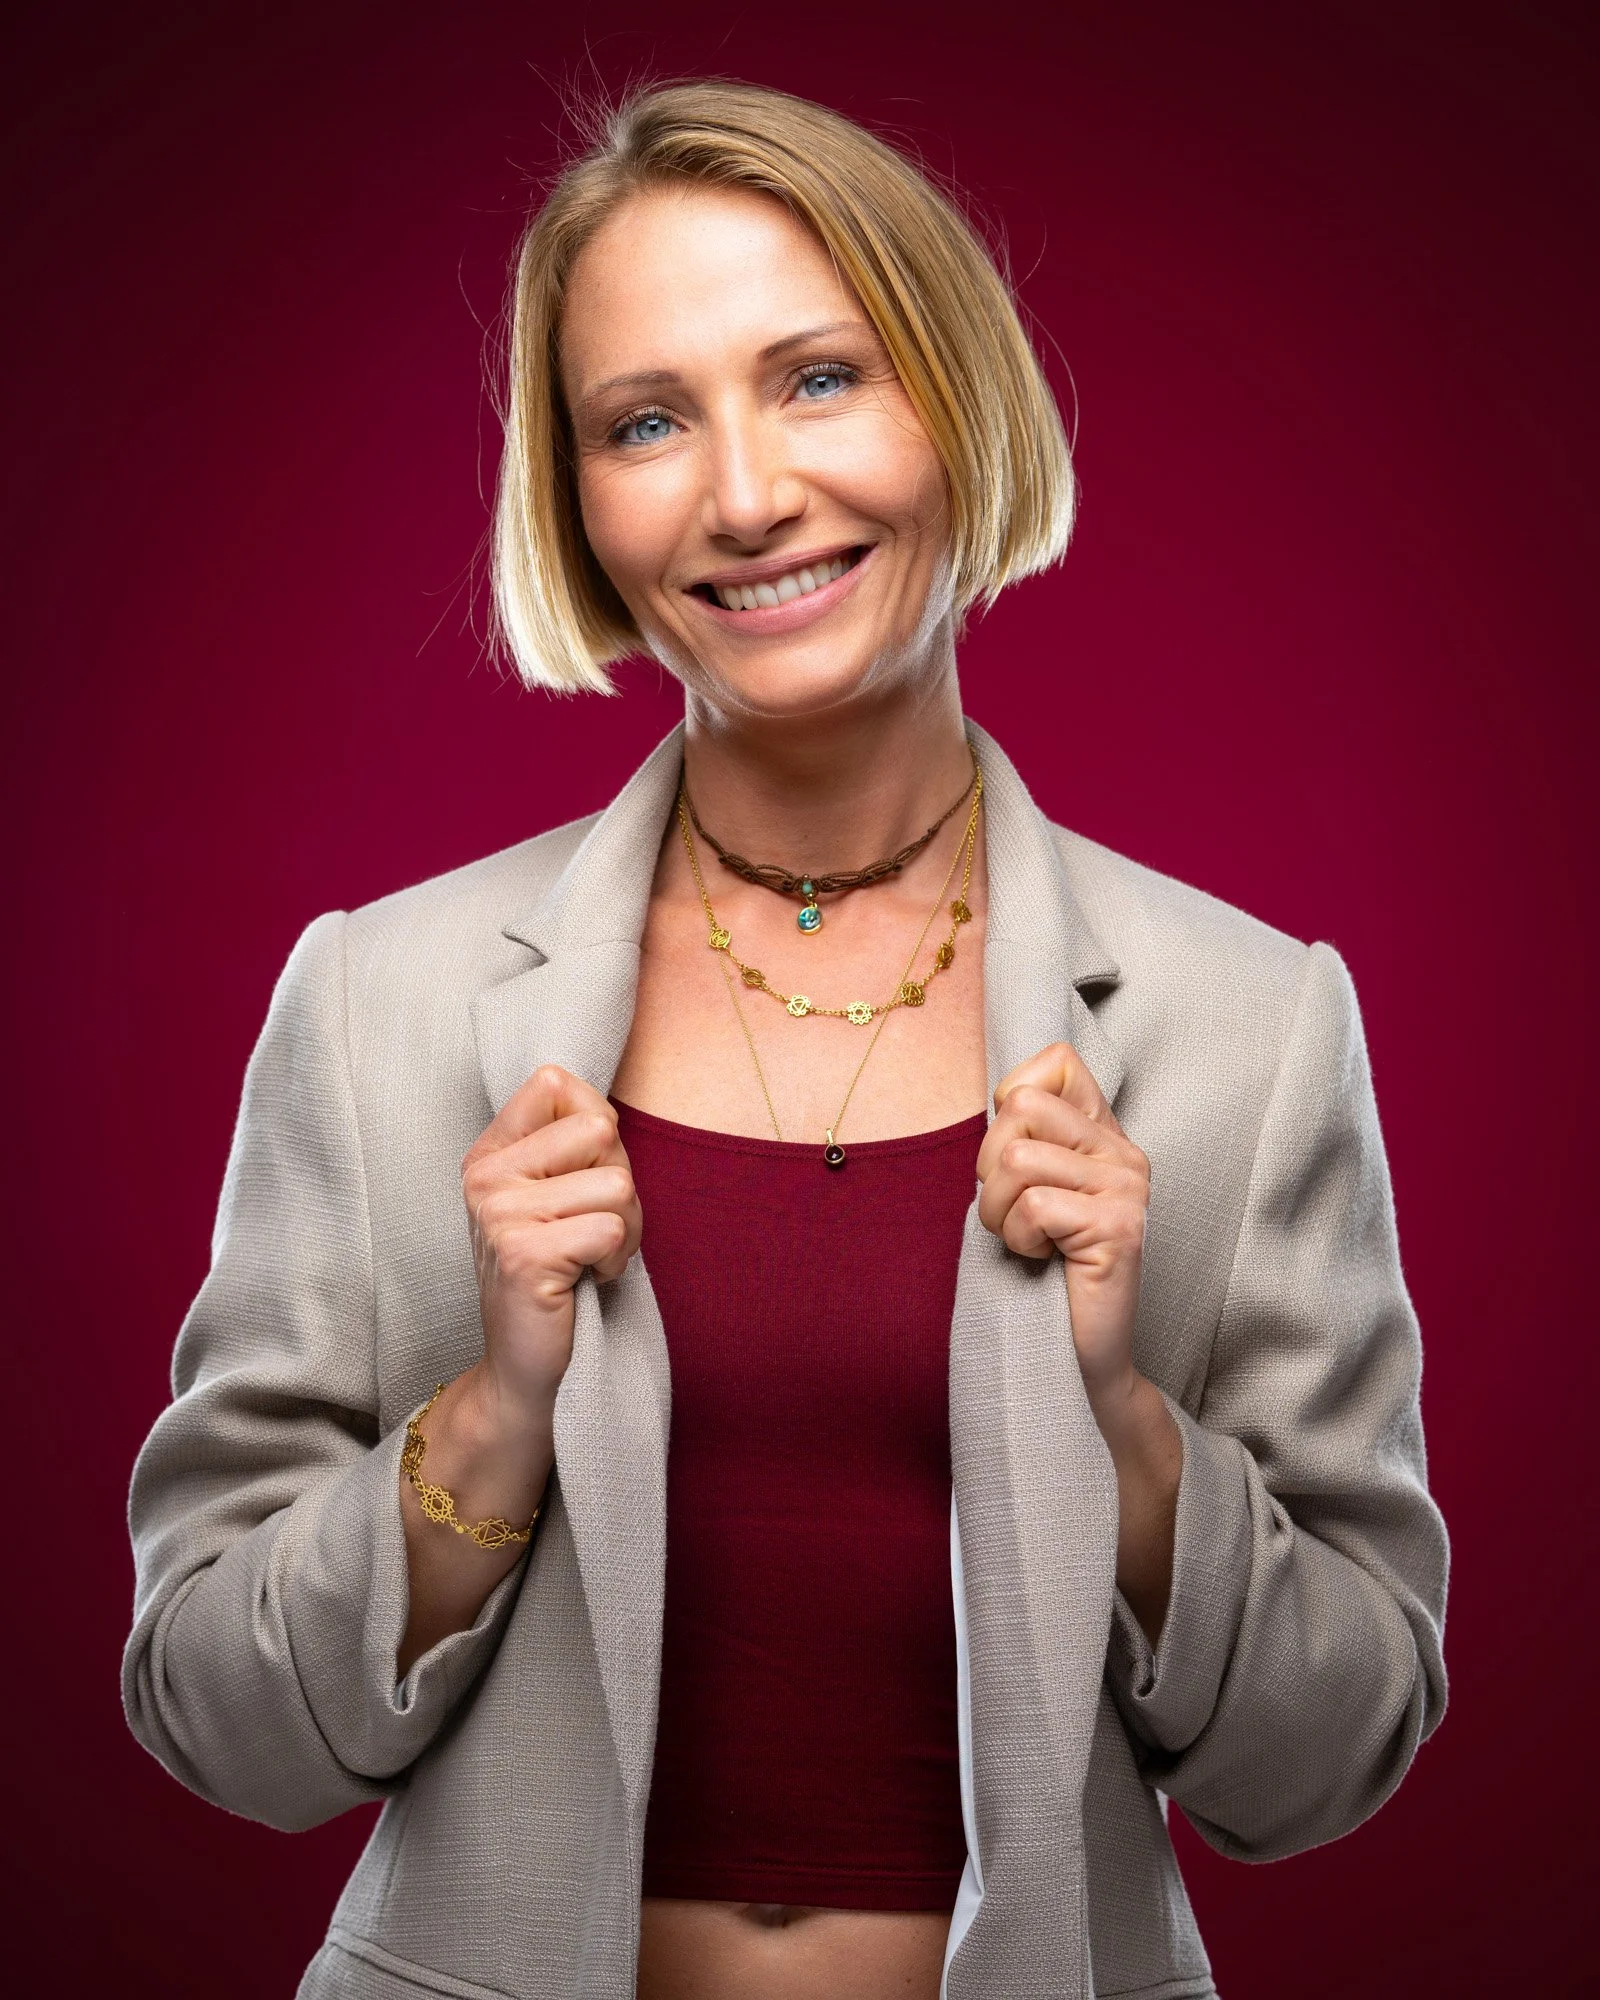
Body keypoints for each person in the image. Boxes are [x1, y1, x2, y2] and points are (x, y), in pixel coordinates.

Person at [123, 79, 1449, 2000]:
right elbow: (212, 1714)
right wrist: (488, 1421)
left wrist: (1133, 1439)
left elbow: (1337, 1754)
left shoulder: (1252, 1023)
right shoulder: (380, 1005)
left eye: (818, 377)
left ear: (959, 398)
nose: (742, 496)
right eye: (644, 423)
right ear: (578, 501)